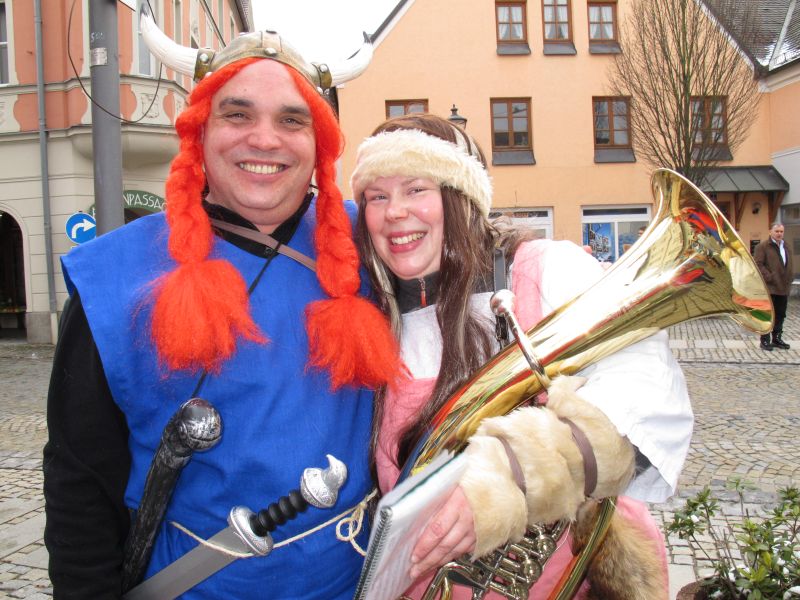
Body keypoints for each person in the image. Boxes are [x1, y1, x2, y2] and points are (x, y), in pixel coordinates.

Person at [42, 24, 400, 599]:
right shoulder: (113, 277)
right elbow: (80, 481)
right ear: (200, 131)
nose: (265, 139)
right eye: (237, 115)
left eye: (292, 120)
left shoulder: (376, 246)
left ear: (320, 144)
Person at [350, 114, 693, 598]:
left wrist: (507, 475)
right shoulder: (371, 316)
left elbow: (646, 392)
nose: (395, 212)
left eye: (416, 189)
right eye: (377, 196)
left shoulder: (542, 270)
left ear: (461, 196)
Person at [754, 223, 794, 351]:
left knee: (781, 314)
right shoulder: (763, 246)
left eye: (781, 231)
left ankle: (777, 338)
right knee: (767, 314)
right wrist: (770, 277)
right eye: (777, 231)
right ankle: (765, 340)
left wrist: (790, 277)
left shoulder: (786, 246)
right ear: (770, 231)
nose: (779, 234)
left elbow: (788, 263)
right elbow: (758, 264)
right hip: (770, 287)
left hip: (783, 286)